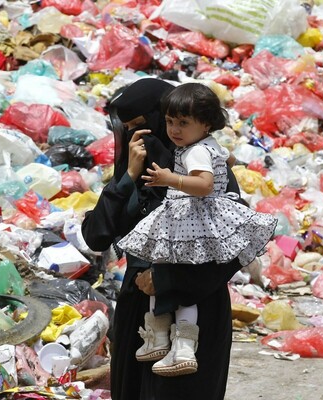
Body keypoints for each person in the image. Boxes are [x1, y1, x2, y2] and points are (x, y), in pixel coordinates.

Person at [81, 78, 246, 400]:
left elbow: (233, 244)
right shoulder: (135, 168)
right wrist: (127, 177)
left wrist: (166, 279)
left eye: (143, 124)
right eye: (128, 128)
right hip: (139, 309)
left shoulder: (204, 171)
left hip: (194, 303)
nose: (137, 136)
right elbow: (97, 235)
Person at [117, 82, 277, 377]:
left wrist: (170, 179)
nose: (173, 130)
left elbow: (203, 185)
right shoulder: (205, 147)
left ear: (205, 124)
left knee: (178, 284)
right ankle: (166, 339)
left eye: (183, 123)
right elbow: (225, 159)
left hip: (197, 258)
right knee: (173, 280)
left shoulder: (194, 154)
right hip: (189, 232)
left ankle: (175, 343)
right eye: (168, 121)